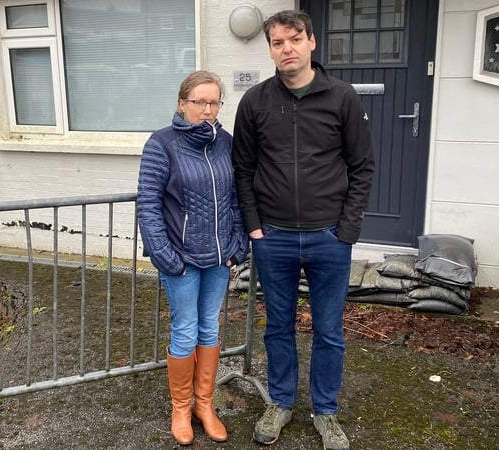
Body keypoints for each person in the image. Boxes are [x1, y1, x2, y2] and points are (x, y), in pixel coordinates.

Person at [232, 9, 375, 450]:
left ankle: (326, 412)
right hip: (272, 237)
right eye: (277, 42)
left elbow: (362, 167)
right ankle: (280, 402)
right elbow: (243, 169)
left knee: (329, 330)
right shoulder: (255, 101)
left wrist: (346, 229)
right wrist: (254, 227)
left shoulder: (342, 97)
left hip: (328, 237)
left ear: (312, 41)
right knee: (278, 327)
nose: (286, 49)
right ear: (271, 49)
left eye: (294, 39)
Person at [137, 70, 248, 445]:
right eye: (199, 101)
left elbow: (235, 198)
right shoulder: (161, 144)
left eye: (214, 102)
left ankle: (205, 404)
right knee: (185, 330)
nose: (207, 109)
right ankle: (181, 408)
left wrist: (237, 245)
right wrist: (166, 256)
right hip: (180, 259)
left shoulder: (225, 143)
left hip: (218, 258)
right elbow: (149, 206)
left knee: (210, 329)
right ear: (182, 103)